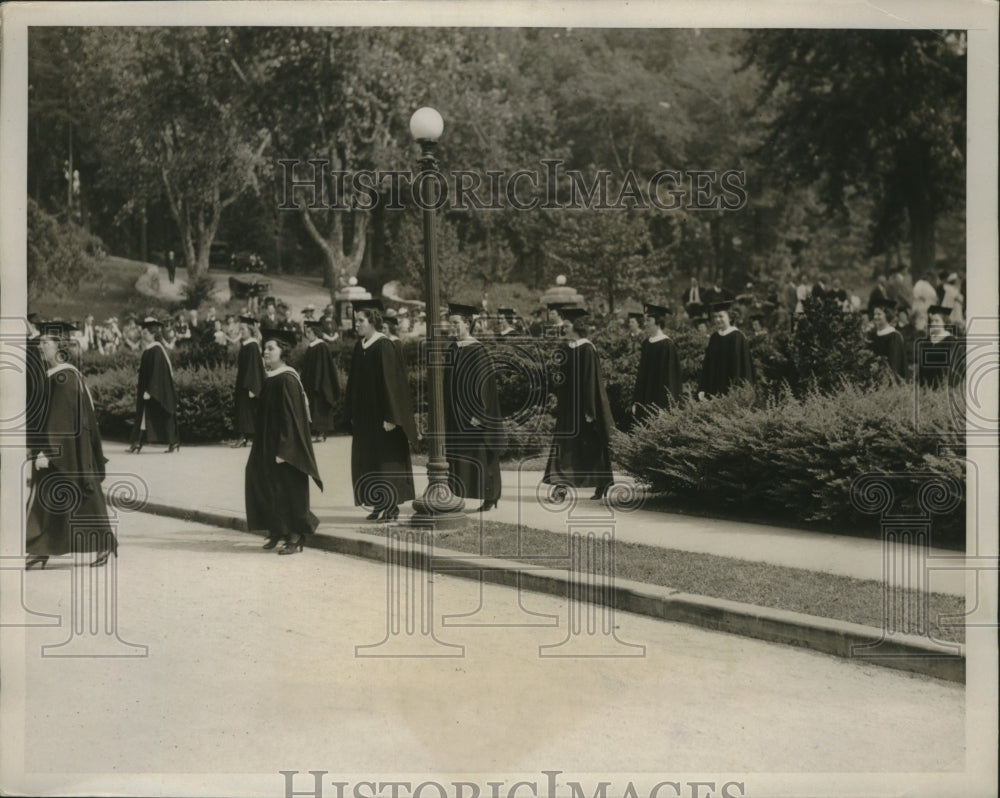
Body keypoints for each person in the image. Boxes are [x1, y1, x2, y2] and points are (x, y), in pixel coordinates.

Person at [25, 321, 117, 569]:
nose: (41, 346)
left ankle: (102, 543)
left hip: (68, 449)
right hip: (64, 447)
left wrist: (47, 450)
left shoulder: (64, 377)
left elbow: (62, 421)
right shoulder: (58, 374)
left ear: (59, 348)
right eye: (41, 342)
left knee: (79, 495)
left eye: (46, 342)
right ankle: (40, 548)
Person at [245, 328, 323, 554]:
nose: (265, 352)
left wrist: (285, 449)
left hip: (285, 446)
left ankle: (296, 536)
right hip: (268, 443)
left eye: (271, 348)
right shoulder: (271, 378)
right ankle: (278, 529)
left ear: (283, 351)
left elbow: (292, 418)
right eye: (264, 348)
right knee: (266, 483)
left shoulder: (288, 379)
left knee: (290, 488)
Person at [345, 302, 417, 522]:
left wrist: (391, 416)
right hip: (366, 417)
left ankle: (391, 505)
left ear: (373, 322)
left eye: (361, 321)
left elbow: (391, 384)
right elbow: (353, 383)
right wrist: (351, 412)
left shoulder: (384, 346)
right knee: (368, 460)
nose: (356, 324)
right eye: (356, 320)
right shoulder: (361, 346)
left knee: (387, 460)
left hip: (383, 416)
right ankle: (377, 502)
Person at [542, 307, 615, 501]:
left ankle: (602, 482)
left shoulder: (587, 349)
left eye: (566, 325)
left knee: (591, 445)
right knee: (564, 446)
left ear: (576, 326)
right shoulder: (566, 348)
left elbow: (591, 381)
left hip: (584, 408)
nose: (563, 328)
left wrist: (590, 410)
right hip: (568, 409)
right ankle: (560, 486)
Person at [443, 303, 505, 512]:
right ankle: (457, 494)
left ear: (468, 323)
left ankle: (490, 496)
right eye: (450, 323)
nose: (451, 327)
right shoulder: (452, 348)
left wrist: (479, 413)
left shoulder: (478, 350)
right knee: (459, 455)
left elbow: (484, 385)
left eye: (455, 323)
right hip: (456, 414)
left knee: (479, 453)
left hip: (473, 416)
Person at [129, 317, 180, 453]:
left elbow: (156, 373)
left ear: (152, 334)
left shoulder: (156, 350)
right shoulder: (150, 350)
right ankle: (138, 442)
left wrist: (150, 390)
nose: (143, 335)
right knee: (147, 414)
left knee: (161, 413)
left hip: (156, 389)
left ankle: (172, 442)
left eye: (146, 333)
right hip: (149, 388)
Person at [631, 303, 682, 422]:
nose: (645, 324)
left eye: (648, 320)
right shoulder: (647, 344)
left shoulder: (667, 345)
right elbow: (641, 376)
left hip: (660, 403)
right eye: (644, 320)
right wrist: (636, 401)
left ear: (658, 321)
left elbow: (669, 379)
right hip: (645, 399)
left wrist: (665, 407)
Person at [698, 301, 755, 399]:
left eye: (721, 316)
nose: (717, 319)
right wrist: (703, 387)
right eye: (715, 317)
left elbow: (742, 367)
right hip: (714, 388)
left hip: (732, 390)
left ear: (730, 317)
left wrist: (739, 391)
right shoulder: (714, 337)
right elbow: (707, 365)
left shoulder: (738, 337)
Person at [300, 320, 341, 443]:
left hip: (321, 383)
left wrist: (317, 383)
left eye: (309, 332)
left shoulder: (321, 346)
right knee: (313, 407)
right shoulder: (311, 347)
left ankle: (321, 433)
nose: (307, 334)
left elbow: (322, 367)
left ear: (315, 332)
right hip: (311, 382)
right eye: (306, 332)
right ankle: (317, 432)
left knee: (320, 407)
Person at [232, 315, 264, 448]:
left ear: (251, 330)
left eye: (243, 329)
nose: (241, 331)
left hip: (248, 383)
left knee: (246, 410)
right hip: (243, 381)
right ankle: (245, 437)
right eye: (240, 329)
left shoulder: (252, 346)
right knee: (244, 410)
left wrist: (252, 386)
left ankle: (244, 437)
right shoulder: (246, 345)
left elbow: (254, 367)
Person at [917, 305, 962, 389]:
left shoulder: (950, 341)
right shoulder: (927, 341)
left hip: (943, 384)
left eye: (937, 321)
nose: (933, 323)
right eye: (932, 321)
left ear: (944, 322)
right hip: (926, 385)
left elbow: (952, 365)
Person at [867, 298, 907, 381]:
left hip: (889, 380)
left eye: (879, 314)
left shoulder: (894, 336)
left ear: (887, 315)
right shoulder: (873, 335)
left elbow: (895, 364)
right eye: (874, 314)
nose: (875, 317)